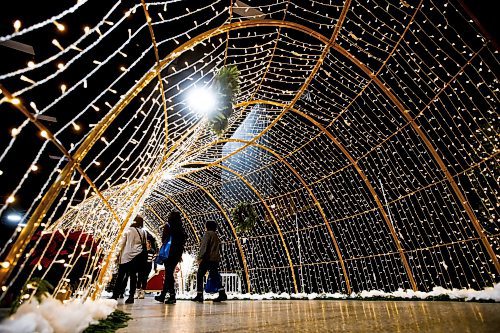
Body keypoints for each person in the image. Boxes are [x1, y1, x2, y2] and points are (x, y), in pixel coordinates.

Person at [111, 215, 148, 304]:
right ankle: (131, 296)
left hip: (126, 256)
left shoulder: (128, 230)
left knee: (120, 276)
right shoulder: (144, 232)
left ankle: (115, 295)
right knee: (133, 276)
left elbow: (122, 243)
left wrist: (116, 255)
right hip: (137, 256)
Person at [155, 211, 186, 304]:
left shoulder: (168, 226)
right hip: (177, 254)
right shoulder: (181, 228)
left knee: (169, 274)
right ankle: (163, 295)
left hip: (168, 253)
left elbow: (164, 239)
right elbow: (182, 242)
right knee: (169, 273)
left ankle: (172, 295)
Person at [192, 220, 227, 303]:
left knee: (200, 275)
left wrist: (199, 257)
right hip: (214, 259)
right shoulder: (216, 235)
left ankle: (199, 294)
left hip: (207, 259)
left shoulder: (207, 234)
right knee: (215, 276)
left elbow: (204, 247)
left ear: (207, 226)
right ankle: (222, 293)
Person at [136, 233, 158, 299]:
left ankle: (142, 292)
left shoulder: (152, 251)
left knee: (145, 279)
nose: (146, 244)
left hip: (148, 266)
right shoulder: (142, 251)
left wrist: (155, 267)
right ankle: (137, 292)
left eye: (147, 243)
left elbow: (154, 260)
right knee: (139, 278)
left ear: (149, 244)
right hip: (141, 265)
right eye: (145, 243)